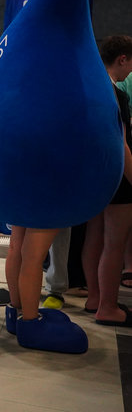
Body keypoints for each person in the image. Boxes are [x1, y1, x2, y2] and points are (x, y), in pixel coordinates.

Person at [82, 35, 132, 327]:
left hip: (95, 175)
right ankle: (108, 307)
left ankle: (94, 298)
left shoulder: (89, 86)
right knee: (114, 243)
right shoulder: (115, 94)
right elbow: (121, 145)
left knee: (95, 236)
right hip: (117, 176)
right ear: (122, 59)